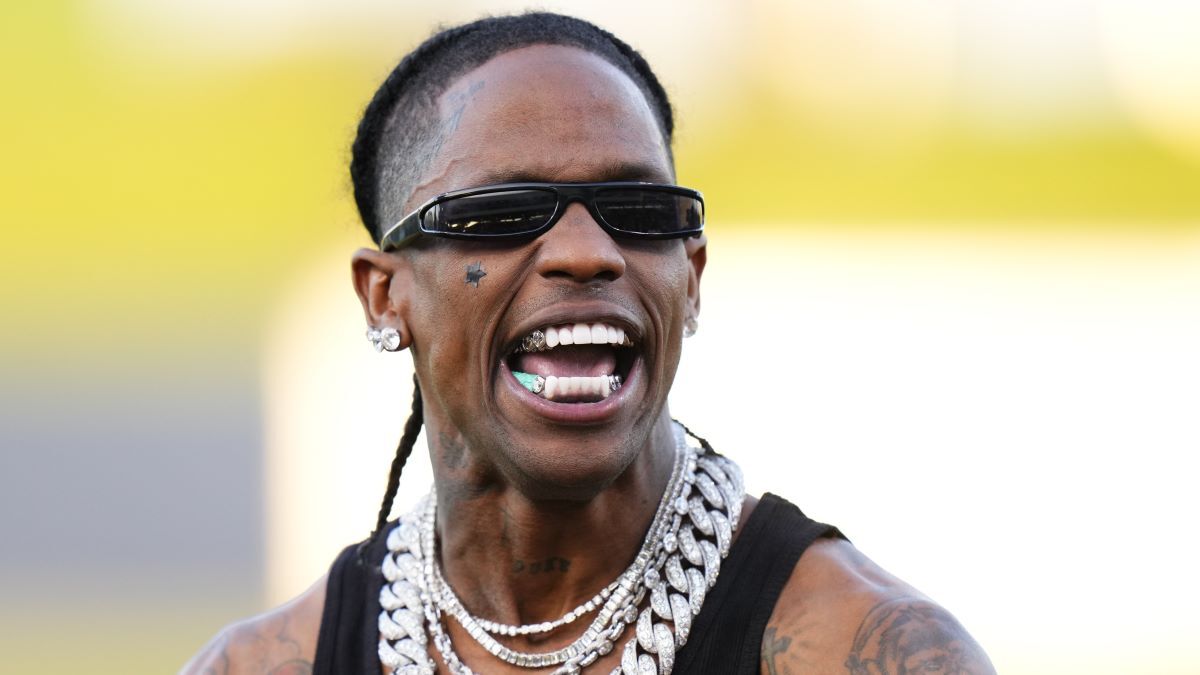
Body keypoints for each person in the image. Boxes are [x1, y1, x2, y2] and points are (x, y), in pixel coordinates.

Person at [183, 12, 995, 675]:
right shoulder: (259, 665)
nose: (586, 251)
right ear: (386, 295)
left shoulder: (866, 652)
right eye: (504, 212)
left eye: (641, 213)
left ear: (691, 276)